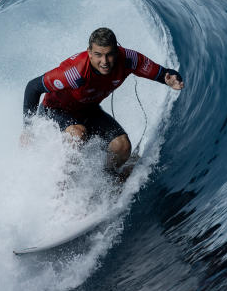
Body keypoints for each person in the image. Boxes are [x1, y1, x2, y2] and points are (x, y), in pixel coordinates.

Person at [22, 27, 184, 179]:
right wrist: (28, 128)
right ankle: (64, 183)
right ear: (90, 53)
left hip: (88, 110)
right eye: (98, 54)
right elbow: (33, 87)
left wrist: (171, 79)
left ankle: (106, 178)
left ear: (117, 51)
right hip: (55, 110)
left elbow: (163, 74)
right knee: (78, 135)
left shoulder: (129, 60)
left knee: (122, 146)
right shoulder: (74, 73)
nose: (105, 61)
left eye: (109, 54)